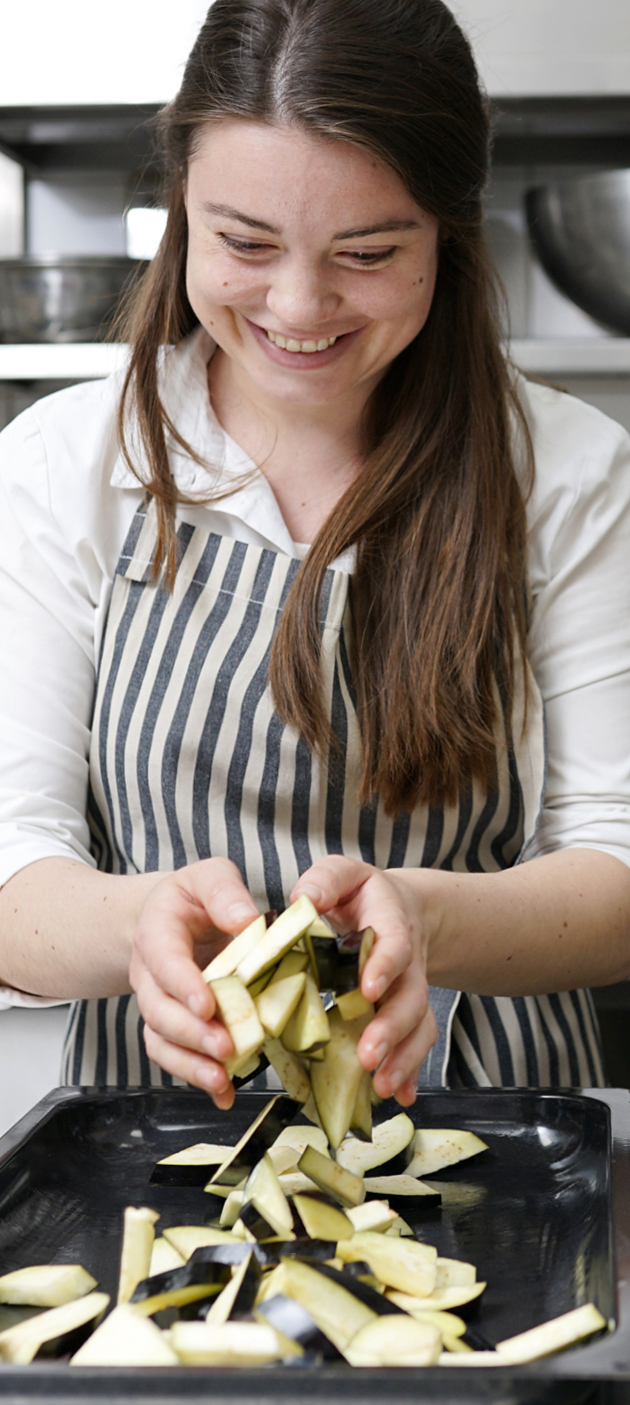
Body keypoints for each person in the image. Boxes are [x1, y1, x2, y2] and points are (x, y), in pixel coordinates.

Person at [1, 0, 630, 1113]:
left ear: (450, 232)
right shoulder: (66, 462)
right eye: (243, 242)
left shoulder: (571, 474)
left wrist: (429, 920)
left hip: (489, 1127)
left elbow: (617, 866)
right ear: (182, 208)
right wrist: (134, 926)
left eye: (369, 253)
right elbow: (13, 866)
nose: (299, 307)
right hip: (157, 1137)